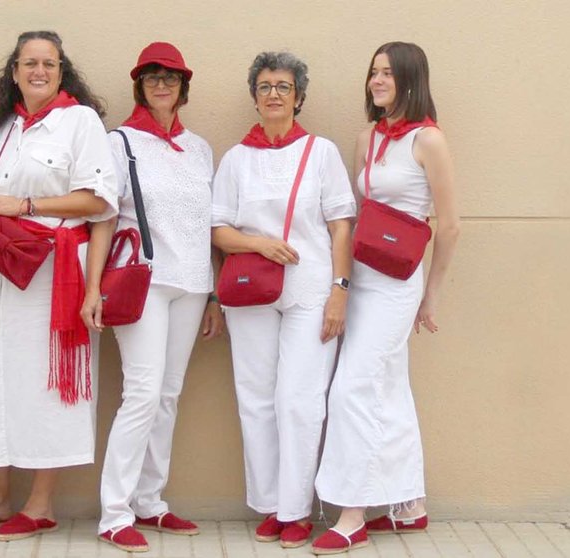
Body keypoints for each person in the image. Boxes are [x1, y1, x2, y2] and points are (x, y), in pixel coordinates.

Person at [0, 30, 119, 541]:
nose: (38, 71)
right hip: (0, 270)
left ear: (61, 71)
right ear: (15, 72)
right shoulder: (2, 130)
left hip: (53, 270)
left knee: (48, 382)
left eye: (48, 62)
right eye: (29, 63)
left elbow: (99, 201)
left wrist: (27, 207)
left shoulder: (80, 122)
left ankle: (40, 503)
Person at [311, 41, 459, 555]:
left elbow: (452, 227)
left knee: (353, 387)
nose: (377, 82)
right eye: (373, 73)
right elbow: (356, 216)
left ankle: (352, 511)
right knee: (389, 389)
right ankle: (409, 505)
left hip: (399, 283)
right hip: (365, 277)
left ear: (411, 79)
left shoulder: (428, 140)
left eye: (388, 75)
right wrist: (343, 283)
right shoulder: (366, 138)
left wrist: (430, 296)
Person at [79, 42, 225, 553]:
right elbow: (101, 216)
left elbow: (207, 227)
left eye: (171, 77)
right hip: (141, 281)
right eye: (151, 77)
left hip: (192, 283)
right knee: (141, 393)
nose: (161, 84)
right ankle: (113, 513)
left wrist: (212, 297)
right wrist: (92, 288)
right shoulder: (119, 142)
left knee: (167, 395)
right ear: (139, 84)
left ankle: (149, 501)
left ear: (184, 87)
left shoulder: (201, 149)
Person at [210, 51, 355, 550]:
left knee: (300, 399)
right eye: (266, 85)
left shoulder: (321, 153)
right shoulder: (235, 159)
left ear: (298, 97)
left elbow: (341, 227)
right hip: (250, 291)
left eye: (283, 86)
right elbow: (218, 229)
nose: (274, 94)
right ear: (255, 96)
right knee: (256, 398)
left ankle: (297, 510)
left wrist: (340, 291)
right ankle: (271, 504)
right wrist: (259, 243)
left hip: (311, 290)